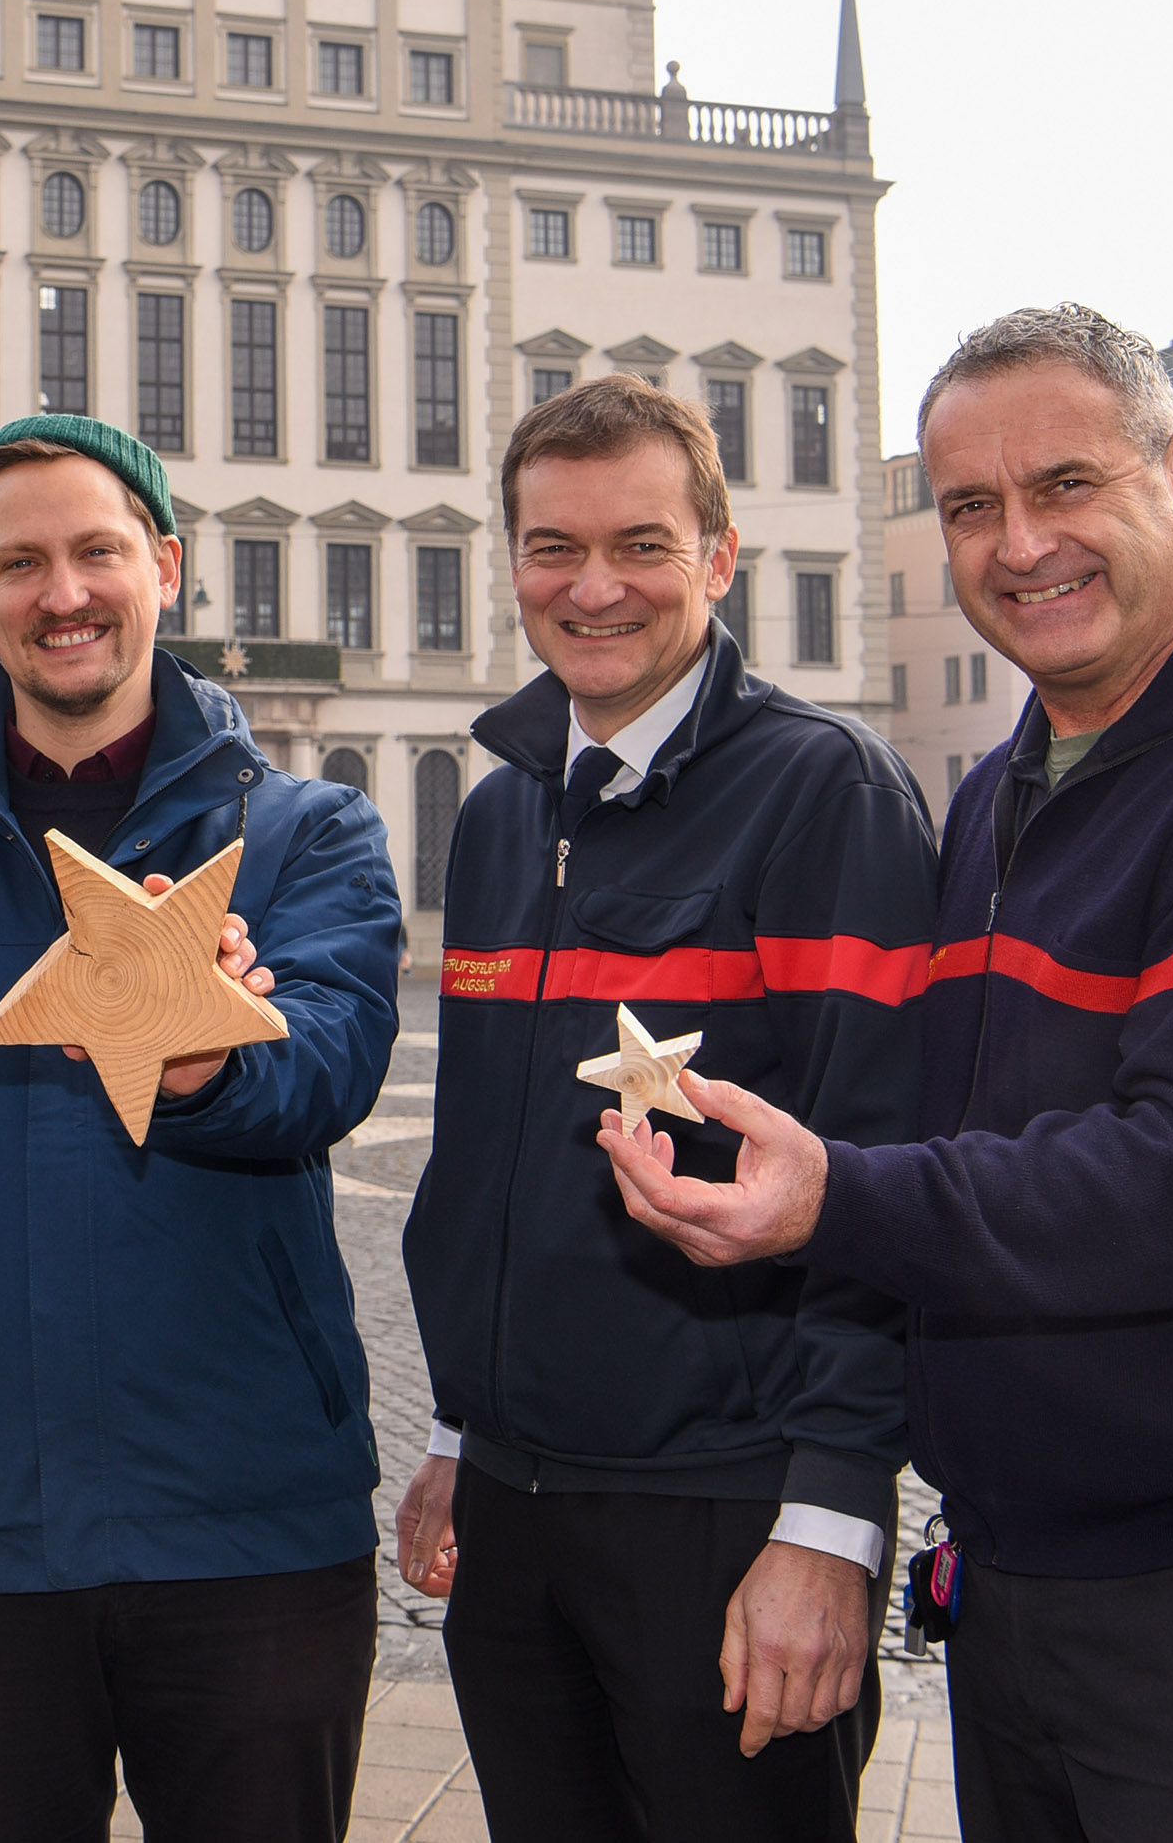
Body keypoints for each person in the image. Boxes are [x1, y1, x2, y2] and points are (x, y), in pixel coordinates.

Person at [600, 306, 1173, 1842]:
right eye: (968, 506)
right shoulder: (1011, 786)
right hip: (1045, 1575)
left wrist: (834, 1195)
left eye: (1063, 485)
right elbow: (979, 1149)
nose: (1018, 543)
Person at [0, 417, 403, 1843]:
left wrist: (199, 1062)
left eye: (97, 550)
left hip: (247, 1526)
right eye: (20, 561)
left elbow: (331, 1069)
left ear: (163, 567)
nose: (64, 592)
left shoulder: (306, 832)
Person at [398, 377, 936, 1840]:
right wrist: (456, 1425)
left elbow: (882, 1165)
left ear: (717, 553)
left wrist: (829, 1517)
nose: (591, 587)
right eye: (549, 547)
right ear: (507, 559)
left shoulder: (826, 792)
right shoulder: (501, 805)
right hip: (512, 1507)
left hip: (723, 1505)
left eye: (638, 543)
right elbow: (484, 1158)